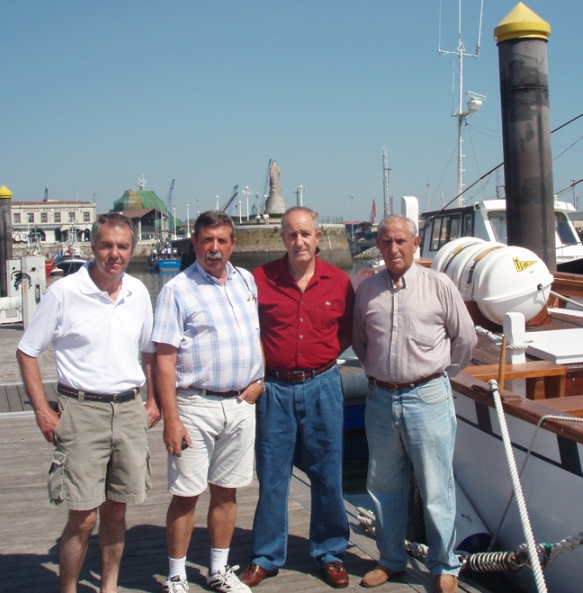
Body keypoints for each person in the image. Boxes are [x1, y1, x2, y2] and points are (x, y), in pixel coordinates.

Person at [16, 212, 158, 593]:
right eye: (107, 245)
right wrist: (42, 411)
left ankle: (108, 587)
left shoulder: (138, 293)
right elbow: (27, 351)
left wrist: (155, 400)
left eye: (123, 246)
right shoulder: (64, 293)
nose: (115, 254)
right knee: (82, 517)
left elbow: (150, 352)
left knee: (116, 511)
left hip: (129, 410)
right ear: (93, 247)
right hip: (81, 412)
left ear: (133, 249)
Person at [352, 215, 477, 593]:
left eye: (400, 241)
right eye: (386, 242)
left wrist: (437, 374)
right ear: (379, 244)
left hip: (429, 397)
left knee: (436, 486)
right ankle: (390, 559)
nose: (393, 249)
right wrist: (382, 373)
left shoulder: (439, 286)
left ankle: (444, 564)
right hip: (379, 399)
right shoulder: (367, 290)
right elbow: (360, 343)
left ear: (416, 242)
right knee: (384, 485)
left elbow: (465, 340)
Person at [239, 207, 354, 589]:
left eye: (305, 234)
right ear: (283, 238)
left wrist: (317, 361)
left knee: (327, 473)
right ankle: (266, 556)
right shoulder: (260, 279)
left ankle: (331, 552)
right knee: (272, 475)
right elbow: (249, 329)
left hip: (323, 384)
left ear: (318, 237)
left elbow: (347, 333)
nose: (299, 241)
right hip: (274, 388)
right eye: (292, 234)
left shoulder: (338, 281)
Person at [153, 210, 264, 593]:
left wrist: (260, 379)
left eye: (221, 241)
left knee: (227, 491)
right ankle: (176, 576)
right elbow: (164, 360)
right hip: (194, 405)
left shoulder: (246, 281)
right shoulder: (177, 290)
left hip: (239, 405)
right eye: (206, 240)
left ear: (233, 244)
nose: (214, 249)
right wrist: (171, 418)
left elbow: (254, 335)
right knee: (186, 494)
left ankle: (219, 569)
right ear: (195, 243)